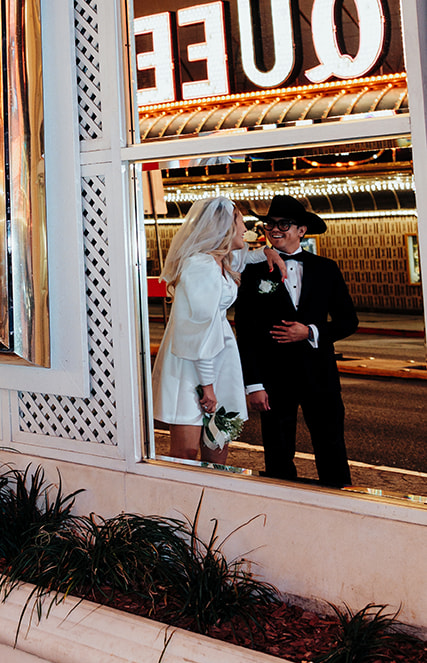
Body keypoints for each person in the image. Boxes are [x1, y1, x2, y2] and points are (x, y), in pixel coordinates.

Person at [235, 195, 358, 488]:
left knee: (331, 447)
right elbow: (246, 331)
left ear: (302, 230)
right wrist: (254, 384)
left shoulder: (326, 268)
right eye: (270, 224)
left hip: (320, 375)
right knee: (277, 453)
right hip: (274, 378)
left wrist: (311, 331)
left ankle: (340, 506)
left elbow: (348, 321)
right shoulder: (252, 271)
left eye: (283, 224)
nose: (275, 230)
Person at [152, 196, 281, 465]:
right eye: (241, 223)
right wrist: (207, 385)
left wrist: (266, 252)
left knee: (218, 443)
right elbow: (198, 329)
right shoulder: (200, 266)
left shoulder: (222, 260)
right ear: (224, 228)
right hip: (191, 360)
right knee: (186, 452)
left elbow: (243, 257)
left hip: (219, 353)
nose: (245, 229)